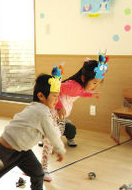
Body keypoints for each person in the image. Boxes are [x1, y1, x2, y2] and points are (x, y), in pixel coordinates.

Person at [41, 54, 107, 182]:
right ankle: (43, 169)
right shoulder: (73, 86)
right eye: (94, 82)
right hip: (52, 113)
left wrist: (92, 94)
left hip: (56, 116)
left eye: (98, 83)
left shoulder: (79, 86)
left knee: (54, 137)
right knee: (50, 141)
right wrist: (59, 106)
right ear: (83, 78)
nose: (95, 85)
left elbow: (81, 92)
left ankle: (44, 156)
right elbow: (55, 89)